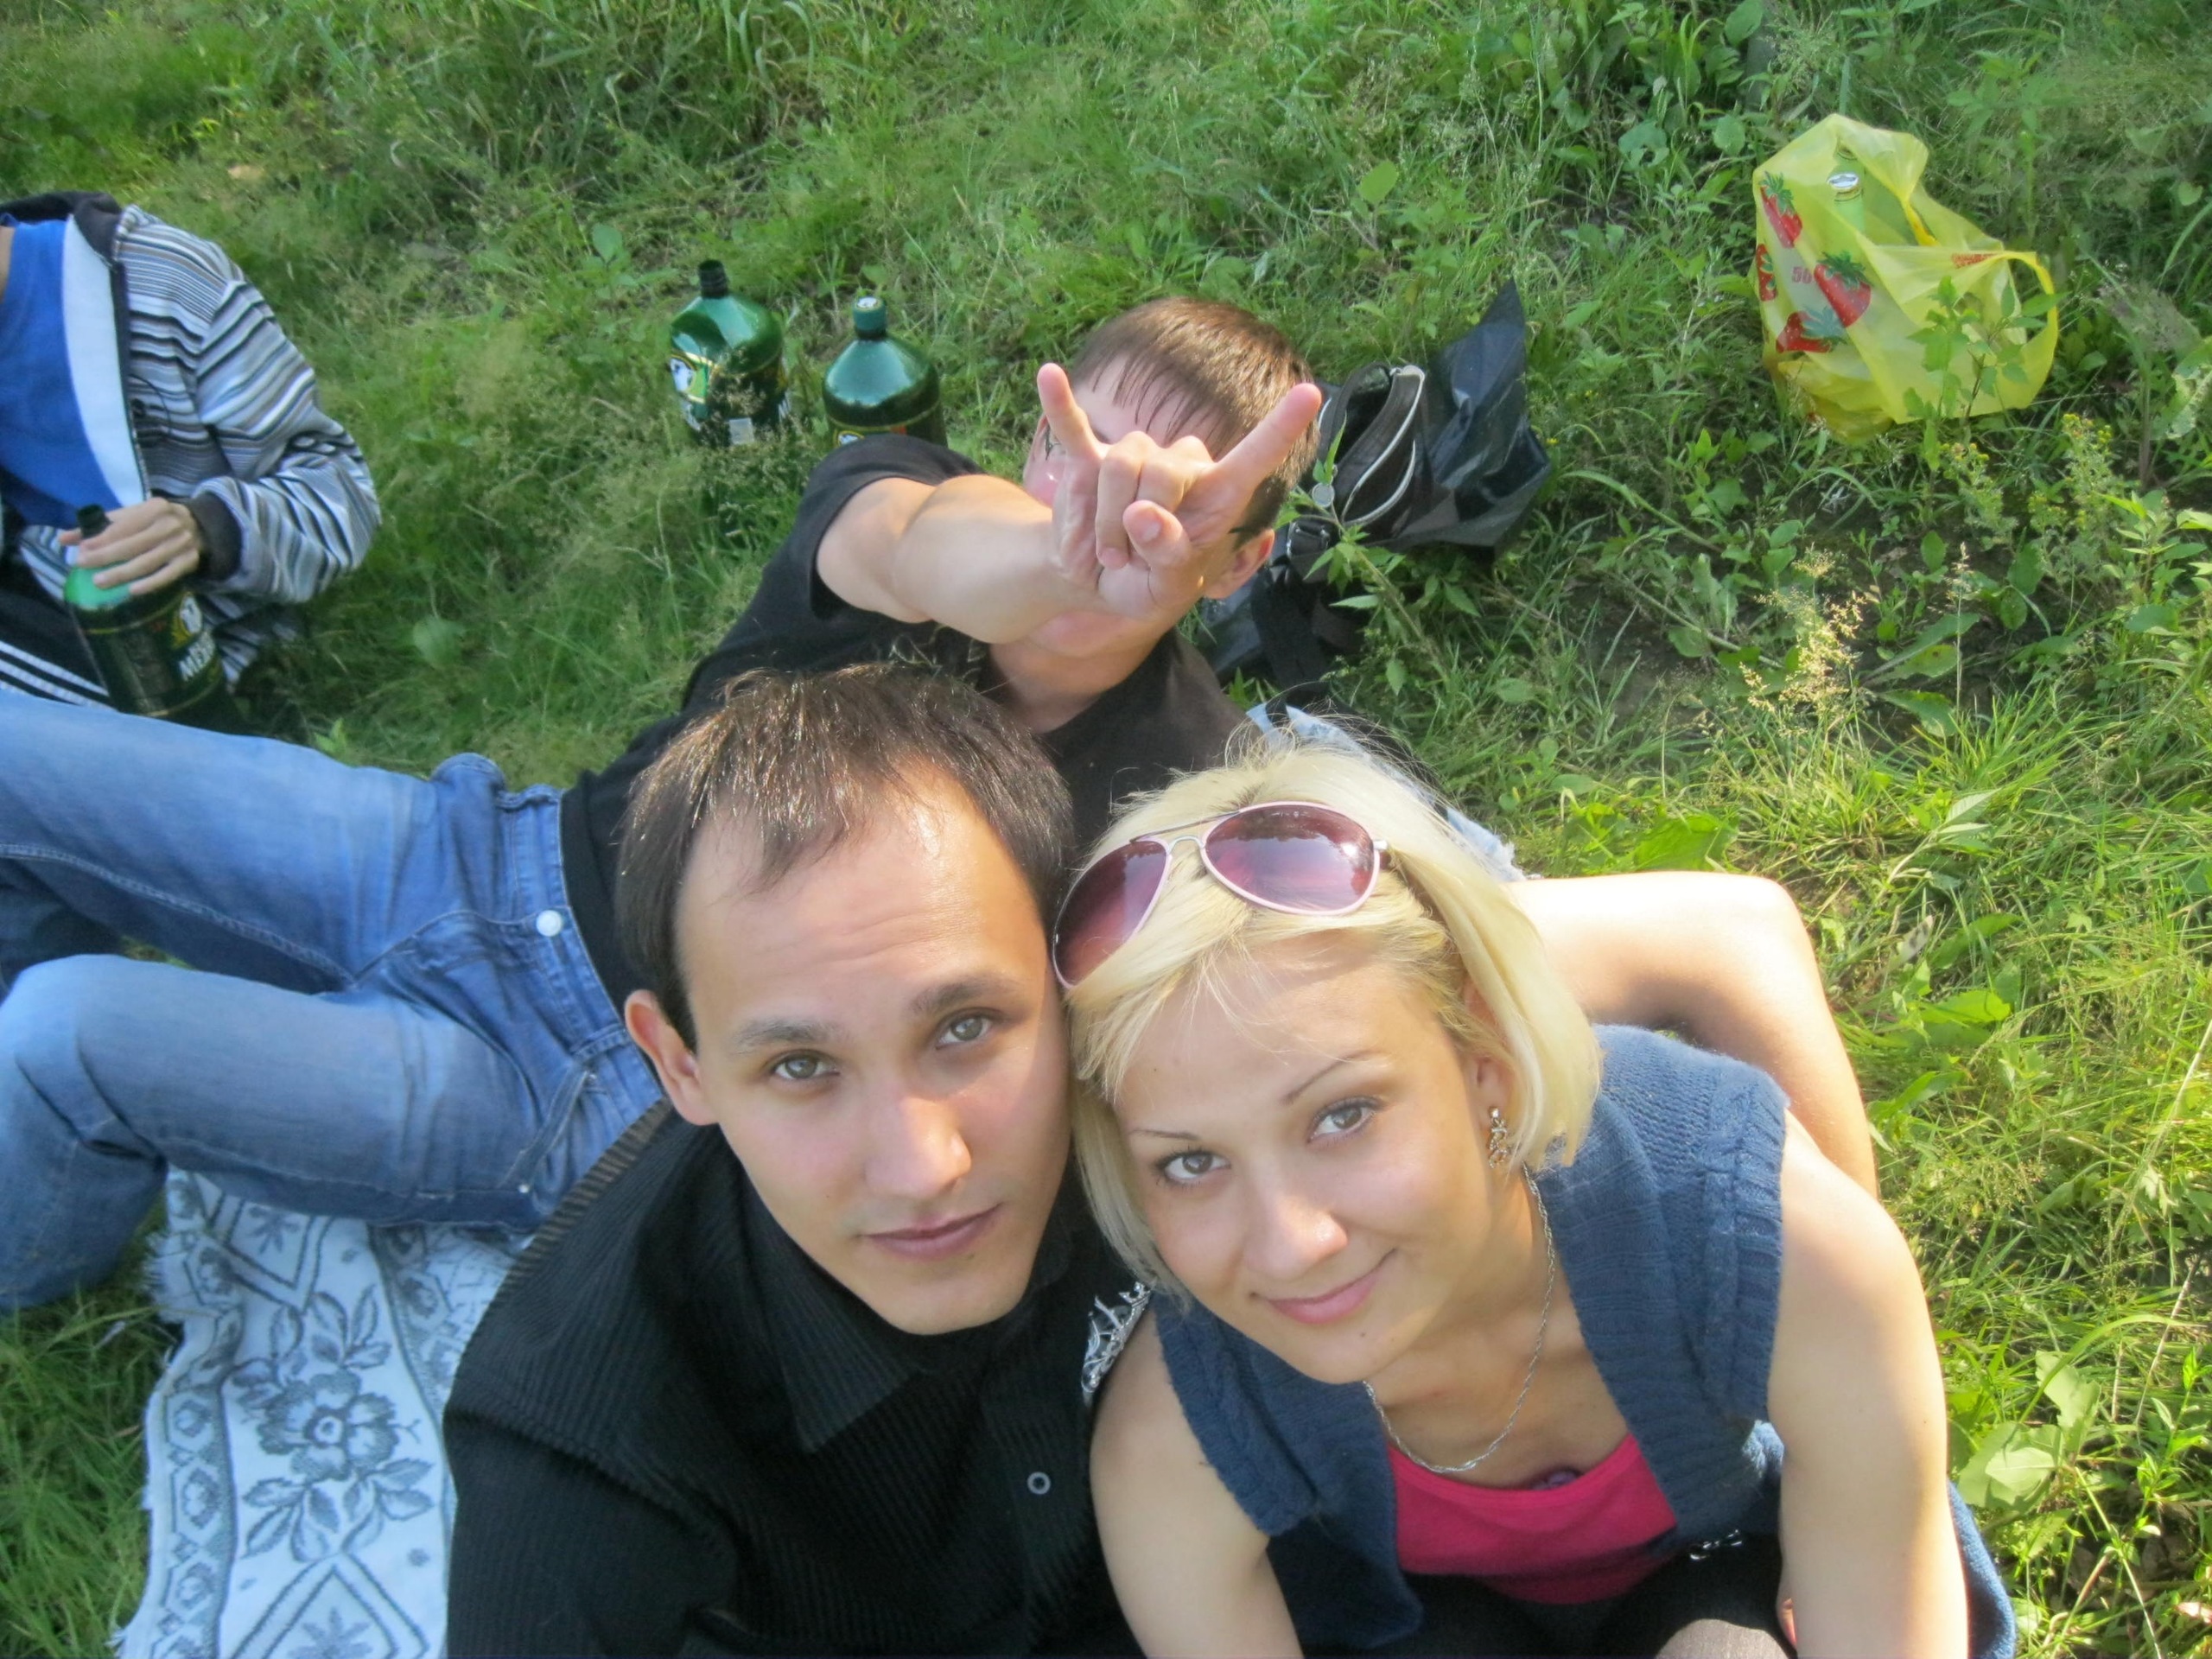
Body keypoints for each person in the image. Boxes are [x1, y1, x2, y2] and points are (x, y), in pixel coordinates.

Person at [0, 293, 1873, 1313]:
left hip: (580, 1082)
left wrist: (1840, 1296)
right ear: (1033, 439)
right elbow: (938, 544)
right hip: (466, 850)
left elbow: (1675, 940)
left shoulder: (1182, 806)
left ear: (1243, 556)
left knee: (63, 1038)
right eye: (1084, 454)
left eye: (1183, 506)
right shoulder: (904, 520)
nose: (1116, 511)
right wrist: (1056, 551)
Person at [443, 665, 1887, 1656]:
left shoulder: (1183, 1040)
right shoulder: (582, 1455)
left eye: (965, 1027)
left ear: (1071, 974)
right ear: (679, 1063)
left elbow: (1716, 938)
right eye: (800, 1068)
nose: (924, 1162)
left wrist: (1827, 1296)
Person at [1061, 740, 2015, 1657]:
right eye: (1191, 1163)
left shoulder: (1752, 1226)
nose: (1288, 1244)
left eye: (1343, 1116)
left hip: (1729, 1576)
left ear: (1485, 1054)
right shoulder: (1182, 1430)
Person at [0, 191, 379, 702]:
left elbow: (343, 499)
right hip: (43, 629)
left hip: (197, 645)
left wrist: (203, 527)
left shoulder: (164, 283)